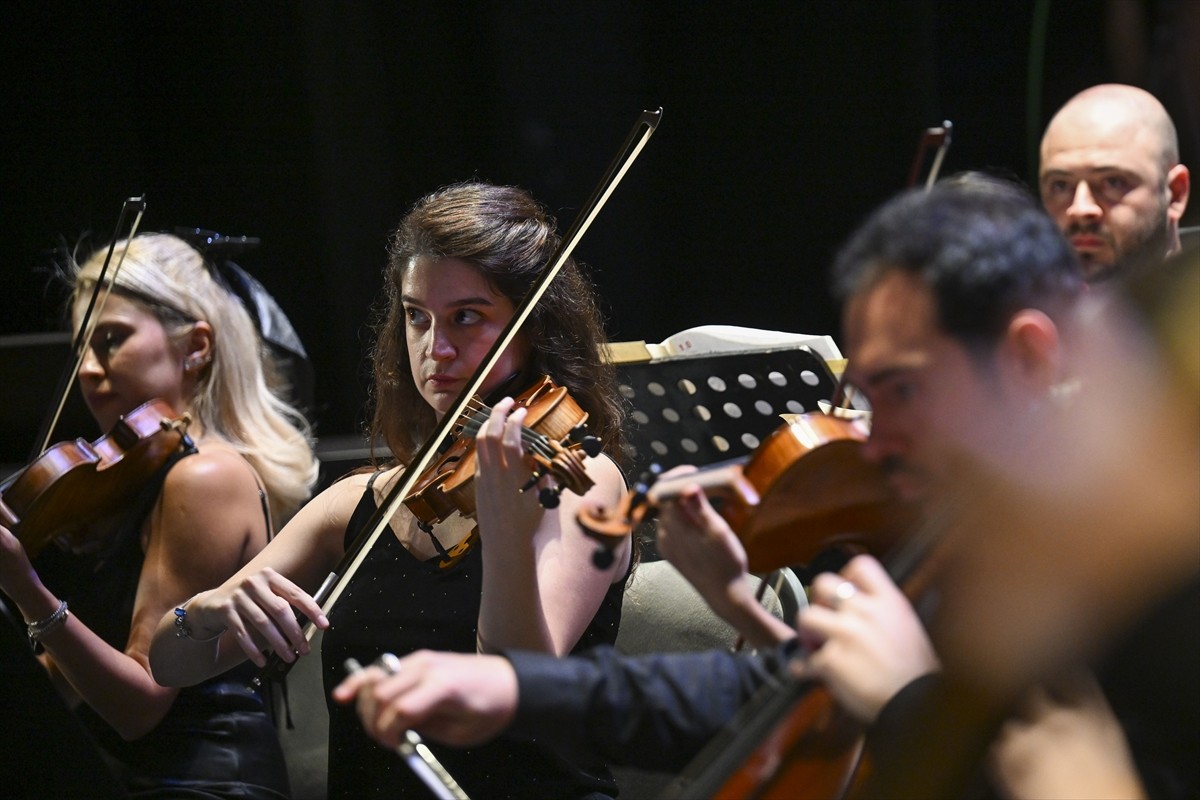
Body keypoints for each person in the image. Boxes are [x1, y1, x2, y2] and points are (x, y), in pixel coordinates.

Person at [336, 178, 1197, 798]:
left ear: (1028, 360)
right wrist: (515, 686)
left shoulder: (1140, 584)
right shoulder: (966, 554)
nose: (871, 433)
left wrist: (903, 703)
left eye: (901, 390)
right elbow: (742, 692)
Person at [149, 181, 633, 799]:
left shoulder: (579, 483)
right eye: (417, 317)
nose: (437, 349)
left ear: (533, 328)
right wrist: (211, 608)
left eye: (468, 317)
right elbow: (169, 664)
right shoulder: (354, 505)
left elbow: (516, 683)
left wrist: (506, 529)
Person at [0, 232, 319, 798]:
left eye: (111, 341)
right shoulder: (151, 477)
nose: (89, 372)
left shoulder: (205, 477)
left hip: (198, 783)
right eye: (81, 350)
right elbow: (81, 687)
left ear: (196, 346)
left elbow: (142, 701)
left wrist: (24, 586)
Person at [1039, 83, 1190, 282]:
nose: (1080, 209)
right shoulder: (1025, 306)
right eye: (1060, 186)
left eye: (1112, 182)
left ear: (1175, 193)